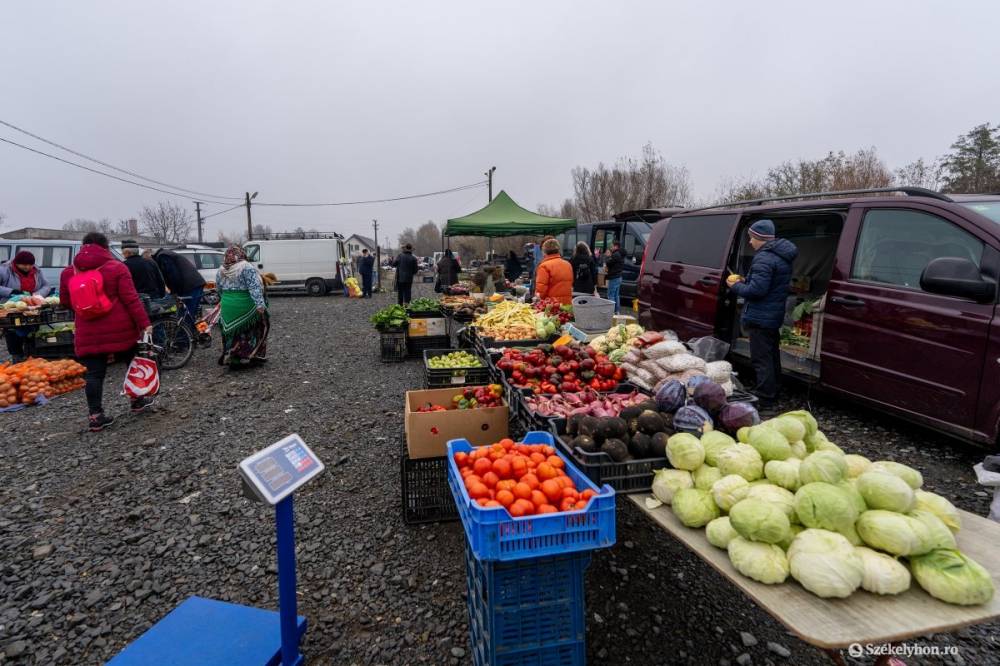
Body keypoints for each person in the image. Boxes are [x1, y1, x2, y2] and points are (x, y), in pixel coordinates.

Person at [59, 233, 153, 431]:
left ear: (83, 247)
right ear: (105, 247)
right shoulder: (117, 268)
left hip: (87, 330)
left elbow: (66, 301)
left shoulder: (69, 273)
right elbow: (131, 299)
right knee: (131, 364)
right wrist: (145, 323)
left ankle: (96, 416)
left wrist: (85, 310)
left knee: (94, 374)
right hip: (121, 329)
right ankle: (137, 401)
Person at [728, 219, 798, 408]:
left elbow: (757, 291)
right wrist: (747, 279)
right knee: (772, 355)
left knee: (761, 359)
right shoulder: (780, 256)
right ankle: (773, 390)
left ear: (760, 237)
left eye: (751, 238)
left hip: (760, 317)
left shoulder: (764, 257)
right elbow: (766, 283)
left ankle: (765, 398)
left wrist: (736, 286)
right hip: (772, 315)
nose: (750, 242)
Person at [215, 245, 270, 368]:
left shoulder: (221, 269)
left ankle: (233, 359)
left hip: (227, 304)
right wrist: (260, 305)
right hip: (244, 304)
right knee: (258, 326)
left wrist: (225, 299)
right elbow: (254, 287)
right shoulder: (246, 267)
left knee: (231, 333)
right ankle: (252, 355)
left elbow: (218, 288)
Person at [0, 251, 54, 362]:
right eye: (24, 265)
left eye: (30, 264)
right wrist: (12, 292)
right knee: (13, 332)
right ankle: (17, 356)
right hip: (12, 309)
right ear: (16, 263)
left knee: (32, 331)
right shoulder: (4, 270)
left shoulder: (37, 271)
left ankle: (32, 355)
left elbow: (46, 285)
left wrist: (37, 295)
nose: (27, 267)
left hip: (33, 308)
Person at [152, 248, 206, 324]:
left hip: (191, 286)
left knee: (186, 314)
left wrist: (174, 292)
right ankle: (189, 333)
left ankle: (185, 335)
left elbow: (173, 276)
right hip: (193, 284)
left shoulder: (163, 257)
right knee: (188, 313)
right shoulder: (166, 254)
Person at [533, 238, 573, 305]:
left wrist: (537, 299)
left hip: (552, 305)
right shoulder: (568, 264)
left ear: (544, 251)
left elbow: (541, 290)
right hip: (567, 304)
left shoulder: (544, 266)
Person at [605, 239, 624, 313]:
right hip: (619, 277)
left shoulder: (615, 254)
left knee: (611, 295)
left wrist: (608, 257)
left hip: (614, 277)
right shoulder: (620, 254)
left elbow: (608, 263)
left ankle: (611, 312)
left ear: (616, 246)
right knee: (616, 295)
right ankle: (617, 311)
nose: (611, 247)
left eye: (612, 246)